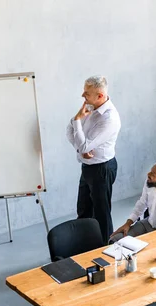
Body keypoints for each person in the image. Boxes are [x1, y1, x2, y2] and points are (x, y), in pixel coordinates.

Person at [66, 76, 121, 244]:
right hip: (88, 167)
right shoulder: (89, 108)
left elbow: (83, 143)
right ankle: (84, 244)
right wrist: (80, 148)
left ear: (100, 95)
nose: (83, 95)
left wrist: (77, 123)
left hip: (102, 169)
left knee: (101, 213)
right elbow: (70, 131)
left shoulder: (109, 118)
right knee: (83, 210)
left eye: (87, 93)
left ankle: (105, 246)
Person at [110, 160, 156, 242]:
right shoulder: (150, 183)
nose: (148, 174)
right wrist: (128, 223)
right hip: (149, 223)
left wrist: (146, 241)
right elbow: (142, 204)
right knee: (116, 239)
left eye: (153, 174)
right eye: (151, 171)